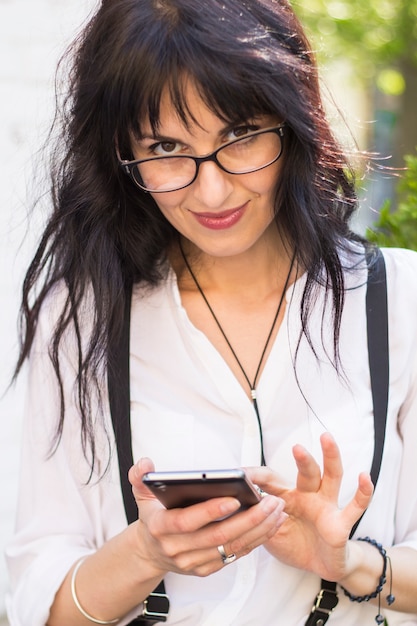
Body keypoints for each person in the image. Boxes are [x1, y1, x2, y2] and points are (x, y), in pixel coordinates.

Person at [5, 0, 417, 624]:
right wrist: (145, 552)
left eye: (241, 137)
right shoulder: (84, 319)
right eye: (167, 147)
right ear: (120, 154)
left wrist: (351, 563)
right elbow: (38, 600)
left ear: (293, 124)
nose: (212, 190)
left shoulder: (400, 300)